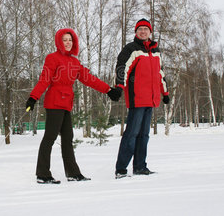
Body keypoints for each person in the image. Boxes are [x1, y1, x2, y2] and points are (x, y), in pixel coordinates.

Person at [25, 28, 122, 184]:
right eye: (65, 40)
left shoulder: (75, 62)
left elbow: (89, 79)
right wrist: (33, 97)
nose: (68, 42)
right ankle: (42, 174)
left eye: (70, 40)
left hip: (66, 104)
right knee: (49, 137)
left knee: (68, 138)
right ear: (59, 42)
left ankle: (73, 173)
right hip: (54, 102)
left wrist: (108, 90)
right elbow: (45, 79)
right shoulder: (52, 58)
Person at [114, 18, 169, 178]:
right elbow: (121, 67)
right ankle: (121, 169)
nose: (143, 32)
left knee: (144, 135)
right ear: (136, 32)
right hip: (137, 99)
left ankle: (140, 166)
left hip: (151, 100)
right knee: (131, 133)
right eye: (140, 29)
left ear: (150, 32)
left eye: (146, 29)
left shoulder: (156, 51)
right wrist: (119, 86)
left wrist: (165, 93)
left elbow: (161, 73)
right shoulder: (131, 49)